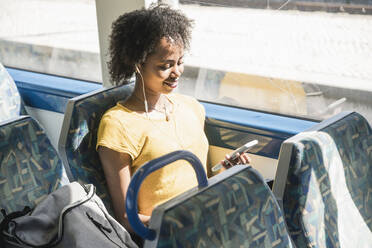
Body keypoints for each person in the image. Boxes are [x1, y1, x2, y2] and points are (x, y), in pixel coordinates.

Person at [96, 3, 251, 240]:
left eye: (180, 62)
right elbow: (127, 219)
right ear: (138, 64)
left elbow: (198, 184)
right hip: (169, 235)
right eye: (165, 66)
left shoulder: (191, 107)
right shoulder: (118, 125)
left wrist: (224, 175)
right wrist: (186, 220)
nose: (176, 72)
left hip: (205, 221)